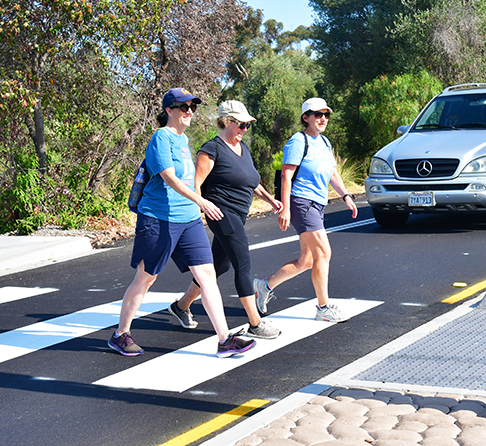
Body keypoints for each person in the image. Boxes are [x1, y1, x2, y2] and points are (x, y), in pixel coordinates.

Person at [108, 88, 256, 359]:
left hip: (188, 219)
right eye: (183, 107)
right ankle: (121, 334)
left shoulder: (184, 139)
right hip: (159, 218)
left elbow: (188, 180)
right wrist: (201, 201)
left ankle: (224, 339)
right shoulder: (161, 138)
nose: (189, 111)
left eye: (192, 107)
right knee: (146, 278)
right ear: (169, 111)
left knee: (207, 275)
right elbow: (169, 178)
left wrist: (195, 204)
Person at [169, 100, 283, 339]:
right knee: (243, 263)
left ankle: (181, 306)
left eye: (247, 126)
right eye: (241, 125)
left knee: (219, 266)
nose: (244, 129)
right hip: (221, 213)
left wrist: (271, 199)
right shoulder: (211, 149)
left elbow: (252, 181)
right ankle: (255, 323)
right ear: (228, 122)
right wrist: (201, 210)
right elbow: (195, 184)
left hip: (238, 215)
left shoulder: (244, 149)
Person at [253, 97, 358, 323]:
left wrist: (346, 195)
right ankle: (323, 307)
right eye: (317, 115)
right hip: (302, 202)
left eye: (326, 115)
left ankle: (264, 286)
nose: (322, 119)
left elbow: (332, 173)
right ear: (306, 117)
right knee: (323, 253)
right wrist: (286, 209)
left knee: (306, 260)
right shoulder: (298, 141)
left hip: (318, 203)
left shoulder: (324, 142)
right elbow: (286, 175)